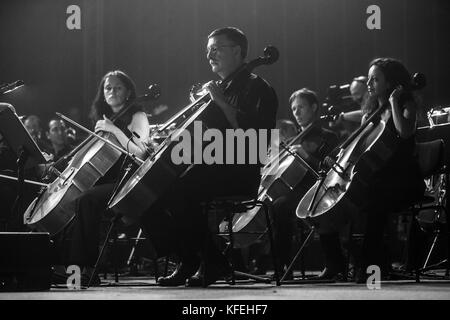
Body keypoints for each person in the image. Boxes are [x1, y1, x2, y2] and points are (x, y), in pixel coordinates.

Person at [145, 27, 278, 287]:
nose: (210, 55)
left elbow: (255, 141)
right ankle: (190, 258)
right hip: (211, 165)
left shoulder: (259, 89)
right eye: (208, 51)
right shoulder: (220, 90)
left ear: (238, 51)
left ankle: (209, 261)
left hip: (240, 171)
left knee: (178, 190)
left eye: (216, 48)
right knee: (152, 192)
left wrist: (220, 103)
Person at [315, 58, 425, 282]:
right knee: (333, 200)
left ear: (390, 82)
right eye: (370, 78)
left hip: (404, 181)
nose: (370, 83)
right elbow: (360, 152)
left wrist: (394, 102)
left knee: (370, 200)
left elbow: (405, 133)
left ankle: (370, 264)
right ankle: (338, 262)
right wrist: (340, 153)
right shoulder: (372, 112)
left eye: (376, 79)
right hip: (379, 179)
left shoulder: (406, 104)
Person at [66, 70, 151, 285]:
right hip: (105, 181)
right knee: (71, 200)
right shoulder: (102, 119)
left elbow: (139, 153)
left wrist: (114, 130)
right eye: (107, 88)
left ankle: (83, 271)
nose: (111, 91)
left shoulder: (137, 117)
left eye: (117, 87)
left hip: (127, 182)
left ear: (128, 92)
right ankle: (63, 266)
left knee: (86, 200)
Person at [267, 89, 339, 277]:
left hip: (320, 188)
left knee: (281, 206)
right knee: (275, 204)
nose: (296, 113)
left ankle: (334, 263)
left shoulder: (327, 136)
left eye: (301, 107)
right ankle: (281, 266)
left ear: (314, 107)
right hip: (297, 190)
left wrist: (306, 156)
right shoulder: (293, 139)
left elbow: (330, 170)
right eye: (293, 109)